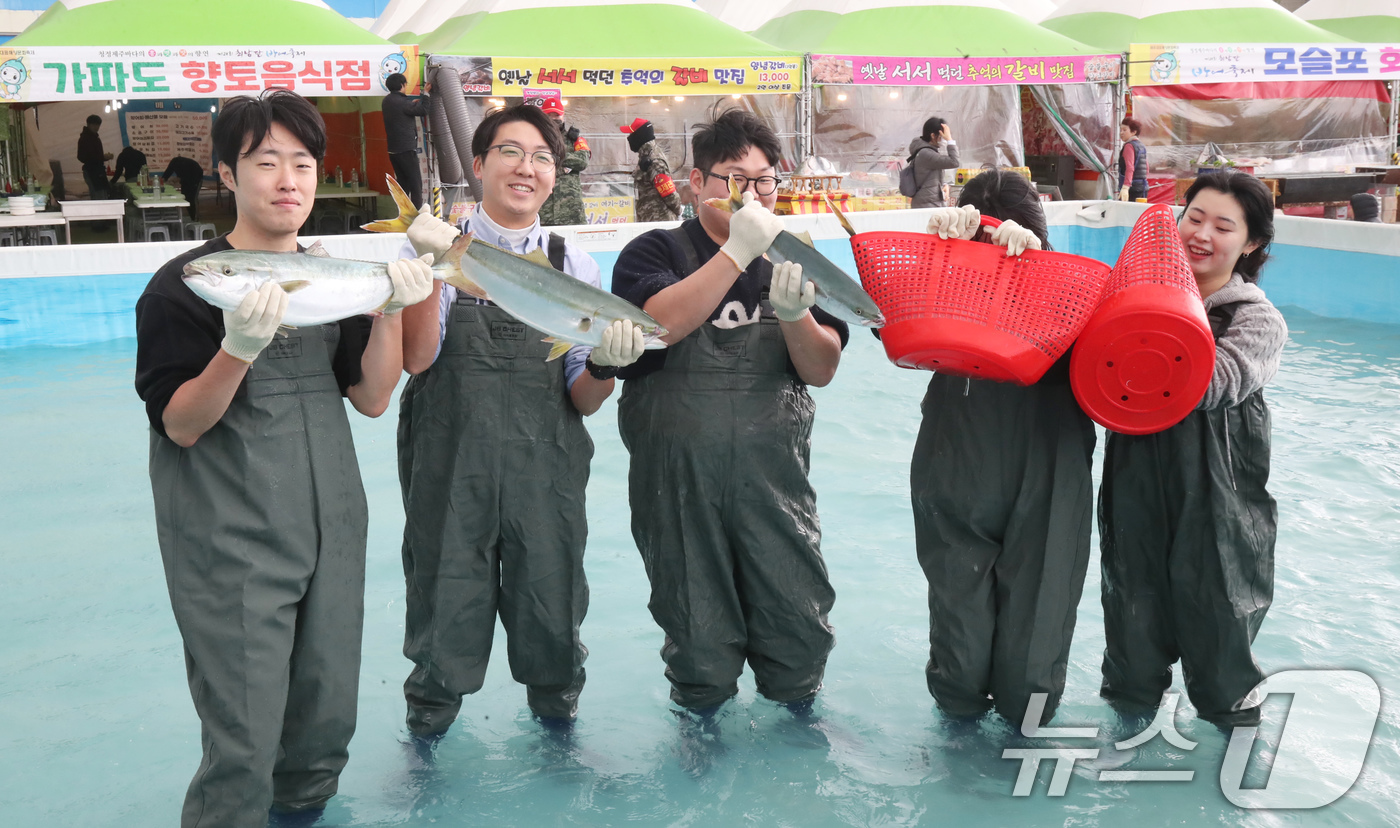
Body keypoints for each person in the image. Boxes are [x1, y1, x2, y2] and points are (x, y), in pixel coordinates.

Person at [133, 89, 432, 827]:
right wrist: (237, 347)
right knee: (244, 735)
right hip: (230, 540)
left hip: (331, 527)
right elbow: (181, 424)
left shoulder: (331, 278)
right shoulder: (188, 285)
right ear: (229, 175)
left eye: (302, 161)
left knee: (323, 725)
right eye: (265, 161)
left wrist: (391, 307)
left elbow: (370, 397)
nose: (288, 179)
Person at [395, 104, 646, 736]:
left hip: (546, 476)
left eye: (541, 158)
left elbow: (583, 400)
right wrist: (431, 269)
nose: (525, 168)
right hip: (451, 471)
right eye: (509, 152)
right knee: (443, 606)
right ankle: (426, 746)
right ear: (478, 165)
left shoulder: (573, 264)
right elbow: (418, 360)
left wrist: (610, 366)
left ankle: (559, 741)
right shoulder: (433, 247)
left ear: (555, 176)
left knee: (552, 611)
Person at [611, 108, 849, 716]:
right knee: (698, 642)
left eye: (763, 180)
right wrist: (738, 254)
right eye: (733, 179)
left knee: (797, 629)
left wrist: (796, 315)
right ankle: (700, 740)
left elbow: (821, 370)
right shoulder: (652, 252)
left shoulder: (797, 259)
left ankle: (801, 735)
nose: (750, 193)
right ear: (697, 183)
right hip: (679, 491)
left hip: (775, 489)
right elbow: (658, 324)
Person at [1098, 171, 1287, 728]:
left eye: (1223, 226)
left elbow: (1205, 385)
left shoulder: (1255, 318)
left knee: (1222, 639)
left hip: (1221, 502)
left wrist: (1135, 336)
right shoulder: (1129, 296)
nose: (1202, 234)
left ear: (1250, 243)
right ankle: (1127, 761)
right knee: (1131, 634)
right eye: (1194, 218)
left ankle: (1235, 782)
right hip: (1135, 489)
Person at [911, 170, 1096, 726]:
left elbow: (1117, 365)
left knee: (1032, 672)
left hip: (1049, 475)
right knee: (959, 662)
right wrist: (938, 257)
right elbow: (890, 325)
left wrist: (1039, 272)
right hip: (956, 465)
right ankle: (961, 726)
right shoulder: (945, 284)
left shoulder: (1079, 292)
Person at [536, 97, 589, 226]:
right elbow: (535, 162)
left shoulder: (575, 139)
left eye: (557, 115)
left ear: (563, 116)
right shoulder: (536, 139)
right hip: (543, 209)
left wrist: (553, 155)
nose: (554, 118)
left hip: (571, 210)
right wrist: (565, 168)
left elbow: (582, 161)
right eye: (549, 115)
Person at [620, 117, 681, 223]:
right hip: (650, 221)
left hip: (659, 222)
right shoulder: (645, 157)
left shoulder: (654, 161)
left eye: (631, 134)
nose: (629, 138)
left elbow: (670, 195)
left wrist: (678, 212)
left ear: (639, 136)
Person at [381, 71, 426, 209]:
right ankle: (415, 217)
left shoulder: (387, 101)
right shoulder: (402, 102)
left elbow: (402, 109)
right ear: (402, 85)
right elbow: (424, 110)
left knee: (403, 185)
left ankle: (403, 214)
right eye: (405, 84)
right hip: (406, 149)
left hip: (394, 150)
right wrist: (426, 94)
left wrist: (411, 103)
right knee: (416, 185)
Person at [908, 116, 959, 208]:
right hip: (928, 205)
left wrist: (944, 185)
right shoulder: (926, 153)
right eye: (941, 136)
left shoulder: (925, 151)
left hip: (928, 202)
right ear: (933, 135)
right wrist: (950, 140)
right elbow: (954, 162)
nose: (943, 139)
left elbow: (930, 176)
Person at [77, 114, 111, 200]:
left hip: (95, 171)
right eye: (94, 124)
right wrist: (102, 157)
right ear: (88, 124)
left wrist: (101, 157)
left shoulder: (93, 137)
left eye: (98, 125)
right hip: (93, 172)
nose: (96, 127)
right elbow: (82, 157)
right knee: (99, 197)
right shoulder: (86, 138)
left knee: (99, 195)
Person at [161, 156, 205, 220]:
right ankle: (191, 215)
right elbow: (167, 173)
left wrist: (176, 180)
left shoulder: (185, 166)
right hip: (188, 177)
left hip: (196, 178)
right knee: (185, 196)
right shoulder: (175, 163)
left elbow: (187, 177)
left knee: (192, 198)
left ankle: (195, 217)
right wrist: (163, 180)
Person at [1118, 117, 1148, 202]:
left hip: (1132, 189)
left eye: (1124, 130)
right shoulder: (1141, 145)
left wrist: (1125, 187)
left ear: (1133, 132)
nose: (1121, 133)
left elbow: (1130, 167)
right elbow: (1146, 169)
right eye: (1120, 130)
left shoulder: (1129, 146)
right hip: (1143, 187)